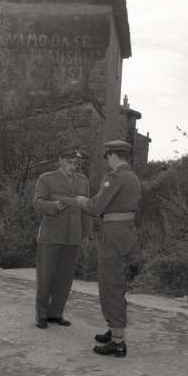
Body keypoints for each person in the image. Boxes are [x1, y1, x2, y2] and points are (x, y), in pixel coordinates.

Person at [75, 140, 141, 358]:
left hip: (113, 234)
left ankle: (118, 341)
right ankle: (114, 328)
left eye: (107, 156)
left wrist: (83, 201)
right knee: (117, 283)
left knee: (110, 285)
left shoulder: (114, 177)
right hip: (126, 233)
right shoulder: (132, 177)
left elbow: (97, 207)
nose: (107, 160)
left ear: (112, 155)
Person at [33, 146, 93, 329]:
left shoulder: (83, 181)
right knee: (46, 277)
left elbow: (86, 209)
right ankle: (41, 315)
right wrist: (53, 206)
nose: (73, 166)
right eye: (69, 162)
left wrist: (87, 233)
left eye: (76, 163)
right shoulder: (46, 178)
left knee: (65, 278)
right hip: (51, 234)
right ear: (60, 160)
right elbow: (37, 202)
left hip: (73, 235)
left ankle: (56, 313)